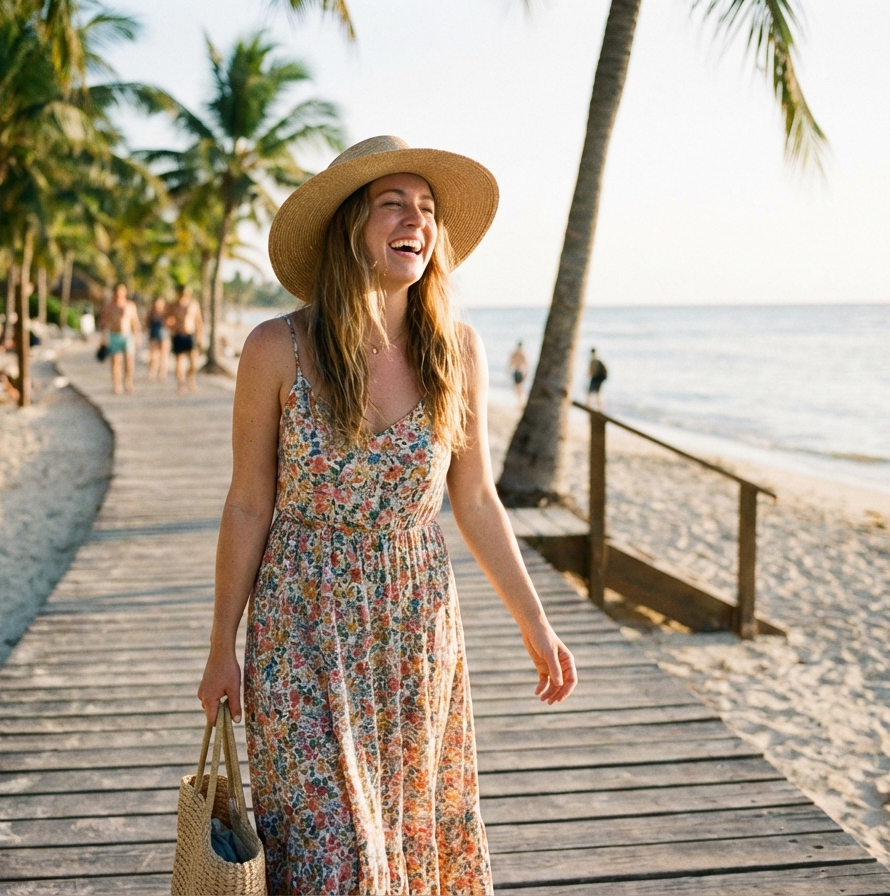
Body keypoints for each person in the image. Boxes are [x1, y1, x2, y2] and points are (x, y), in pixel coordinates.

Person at [197, 135, 578, 894]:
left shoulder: (456, 351)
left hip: (414, 632)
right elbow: (247, 501)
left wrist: (536, 623)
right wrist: (220, 643)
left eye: (428, 209)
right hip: (300, 628)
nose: (418, 220)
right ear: (351, 227)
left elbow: (474, 499)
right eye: (394, 204)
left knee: (404, 845)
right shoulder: (277, 347)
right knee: (333, 859)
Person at [97, 283, 140, 394]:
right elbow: (103, 323)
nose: (119, 294)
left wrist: (137, 336)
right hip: (114, 335)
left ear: (125, 292)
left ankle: (128, 382)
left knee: (129, 362)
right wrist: (102, 339)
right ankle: (117, 385)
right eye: (117, 291)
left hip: (127, 335)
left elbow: (135, 322)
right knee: (115, 361)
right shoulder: (108, 307)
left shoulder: (130, 306)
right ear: (114, 293)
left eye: (122, 291)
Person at [165, 286, 203, 393]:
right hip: (178, 334)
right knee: (179, 361)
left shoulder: (193, 305)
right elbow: (166, 319)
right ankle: (181, 384)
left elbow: (199, 321)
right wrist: (173, 326)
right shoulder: (174, 305)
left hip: (190, 335)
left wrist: (200, 336)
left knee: (193, 362)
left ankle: (191, 380)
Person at [146, 296, 169, 382]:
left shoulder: (166, 313)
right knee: (153, 356)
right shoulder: (151, 313)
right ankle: (152, 372)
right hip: (154, 335)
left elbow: (171, 323)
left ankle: (163, 373)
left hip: (164, 336)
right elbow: (147, 323)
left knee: (164, 356)